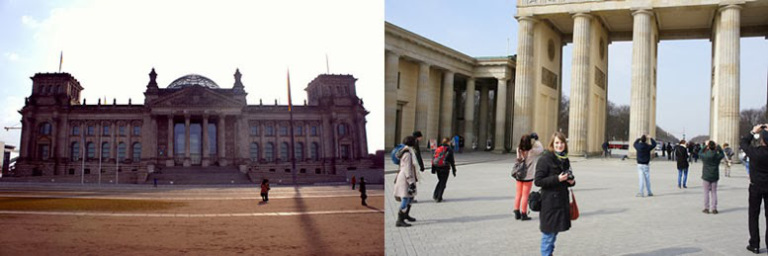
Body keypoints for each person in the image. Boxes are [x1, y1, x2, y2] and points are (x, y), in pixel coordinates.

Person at [534, 131, 575, 256]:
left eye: (562, 142)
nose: (559, 145)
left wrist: (571, 181)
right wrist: (557, 179)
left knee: (553, 235)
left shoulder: (564, 159)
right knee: (548, 236)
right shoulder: (545, 159)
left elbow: (568, 179)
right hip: (550, 204)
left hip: (561, 203)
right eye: (557, 143)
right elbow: (538, 181)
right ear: (552, 144)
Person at [744, 124, 768, 253]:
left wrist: (753, 131)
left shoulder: (755, 152)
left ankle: (754, 244)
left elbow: (743, 142)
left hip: (755, 187)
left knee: (753, 215)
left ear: (762, 140)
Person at [514, 133, 543, 221]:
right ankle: (523, 213)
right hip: (528, 176)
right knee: (525, 195)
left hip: (519, 175)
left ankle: (516, 211)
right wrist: (537, 140)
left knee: (518, 194)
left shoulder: (518, 149)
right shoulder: (532, 151)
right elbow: (541, 149)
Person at [394, 136, 419, 227]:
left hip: (405, 177)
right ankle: (399, 220)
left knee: (410, 197)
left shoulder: (407, 151)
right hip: (405, 178)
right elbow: (407, 169)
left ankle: (406, 215)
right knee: (405, 198)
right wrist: (411, 182)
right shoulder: (408, 154)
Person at [700, 140, 724, 214]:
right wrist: (718, 146)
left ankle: (706, 208)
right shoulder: (717, 156)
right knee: (714, 193)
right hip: (714, 175)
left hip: (706, 176)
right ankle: (714, 208)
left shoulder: (705, 156)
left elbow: (699, 152)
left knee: (706, 192)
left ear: (708, 147)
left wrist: (705, 146)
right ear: (714, 147)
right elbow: (722, 154)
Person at [432, 138, 457, 203]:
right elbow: (452, 161)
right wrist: (454, 170)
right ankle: (439, 197)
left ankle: (435, 195)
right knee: (443, 183)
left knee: (440, 181)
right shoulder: (449, 149)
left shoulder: (438, 148)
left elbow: (433, 158)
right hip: (445, 167)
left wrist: (433, 169)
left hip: (437, 167)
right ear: (448, 142)